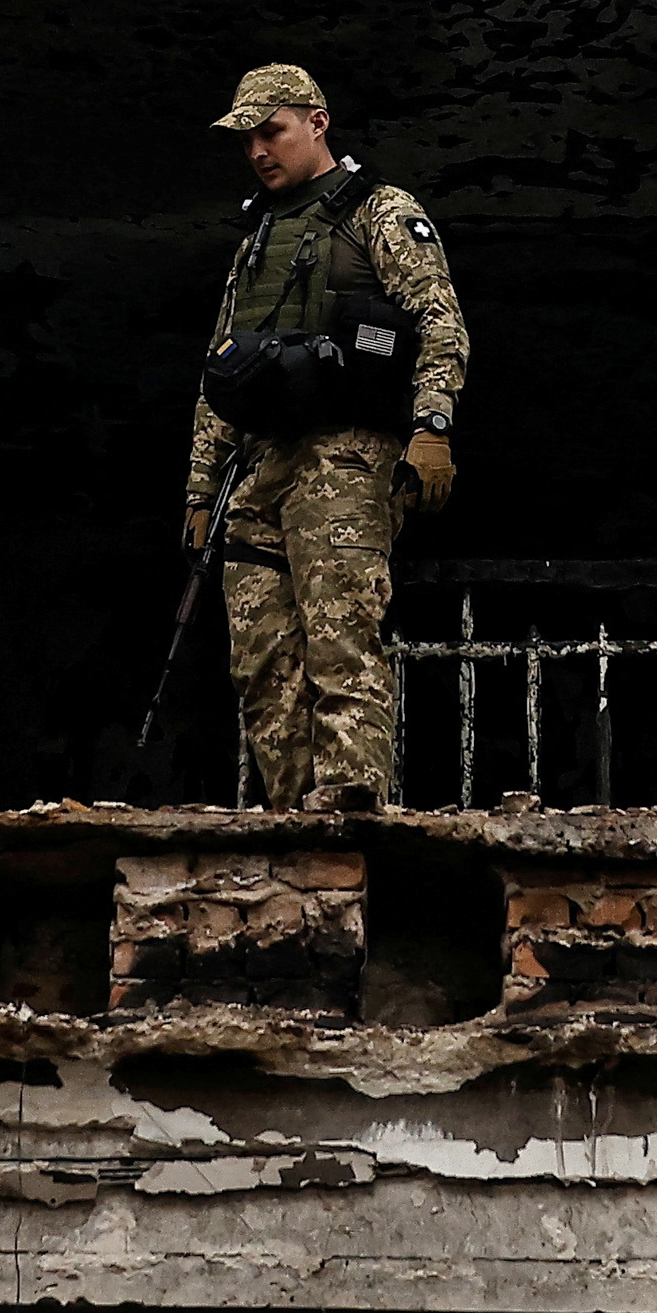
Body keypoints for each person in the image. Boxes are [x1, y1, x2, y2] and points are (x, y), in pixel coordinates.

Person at [182, 67, 470, 808]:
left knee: (339, 639)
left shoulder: (378, 212)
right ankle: (288, 819)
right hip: (261, 464)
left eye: (270, 130)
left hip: (346, 455)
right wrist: (202, 484)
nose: (257, 150)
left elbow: (439, 321)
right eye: (245, 138)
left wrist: (431, 427)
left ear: (317, 121)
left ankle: (348, 808)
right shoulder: (259, 236)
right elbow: (221, 368)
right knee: (261, 661)